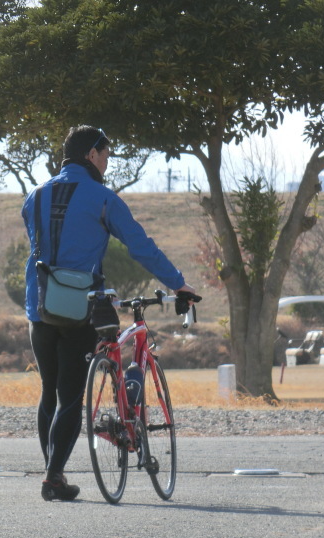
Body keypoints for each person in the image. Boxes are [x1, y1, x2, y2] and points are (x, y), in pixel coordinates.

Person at [22, 125, 196, 501]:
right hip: (80, 307)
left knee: (48, 393)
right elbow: (140, 247)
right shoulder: (102, 198)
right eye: (106, 154)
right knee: (71, 395)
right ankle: (53, 477)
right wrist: (177, 284)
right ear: (91, 155)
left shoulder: (33, 197)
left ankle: (54, 471)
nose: (108, 161)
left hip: (39, 308)